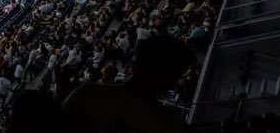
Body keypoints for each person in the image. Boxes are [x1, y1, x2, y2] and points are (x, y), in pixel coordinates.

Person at [62, 35, 195, 133]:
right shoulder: (167, 124)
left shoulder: (88, 93)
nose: (175, 82)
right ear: (166, 76)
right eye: (176, 75)